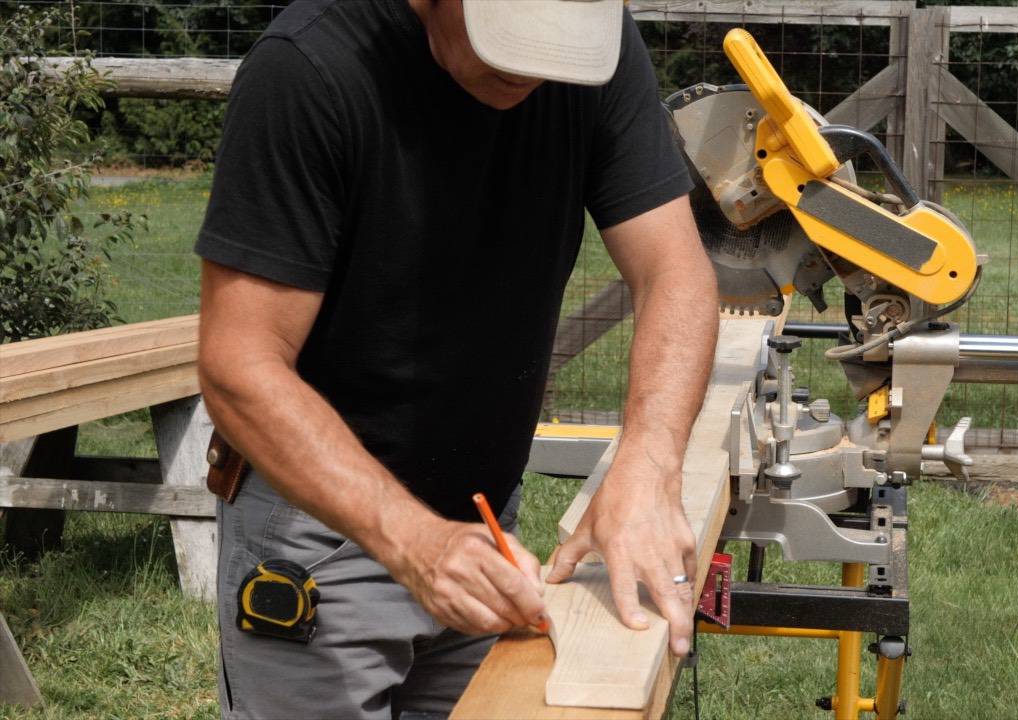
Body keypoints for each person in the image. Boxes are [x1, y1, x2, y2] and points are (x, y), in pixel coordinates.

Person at [194, 0, 719, 717]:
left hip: (486, 534)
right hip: (324, 532)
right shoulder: (308, 69)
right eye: (511, 45)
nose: (534, 75)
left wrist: (649, 464)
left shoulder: (588, 42)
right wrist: (417, 542)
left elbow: (674, 271)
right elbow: (239, 366)